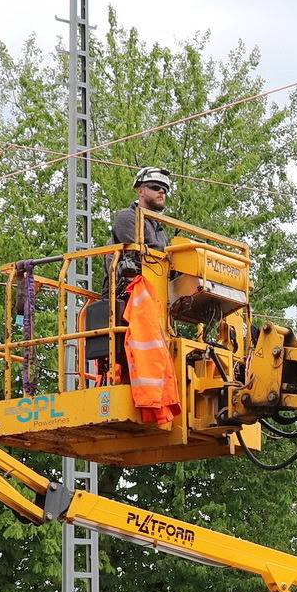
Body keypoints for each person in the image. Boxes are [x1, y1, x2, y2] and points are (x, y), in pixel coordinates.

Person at [107, 167, 179, 426]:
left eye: (165, 190)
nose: (162, 193)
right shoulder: (127, 217)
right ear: (140, 190)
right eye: (156, 188)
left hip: (151, 298)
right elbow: (146, 256)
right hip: (127, 295)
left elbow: (163, 259)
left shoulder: (160, 228)